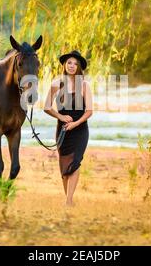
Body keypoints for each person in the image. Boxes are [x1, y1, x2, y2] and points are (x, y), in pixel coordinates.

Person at [44, 50, 93, 206]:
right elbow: (46, 107)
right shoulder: (56, 84)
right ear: (65, 65)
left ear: (79, 68)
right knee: (65, 167)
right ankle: (69, 200)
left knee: (75, 163)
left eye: (75, 64)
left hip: (79, 131)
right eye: (69, 63)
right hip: (63, 131)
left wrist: (75, 123)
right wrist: (61, 117)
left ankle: (68, 201)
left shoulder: (84, 85)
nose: (72, 66)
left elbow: (89, 111)